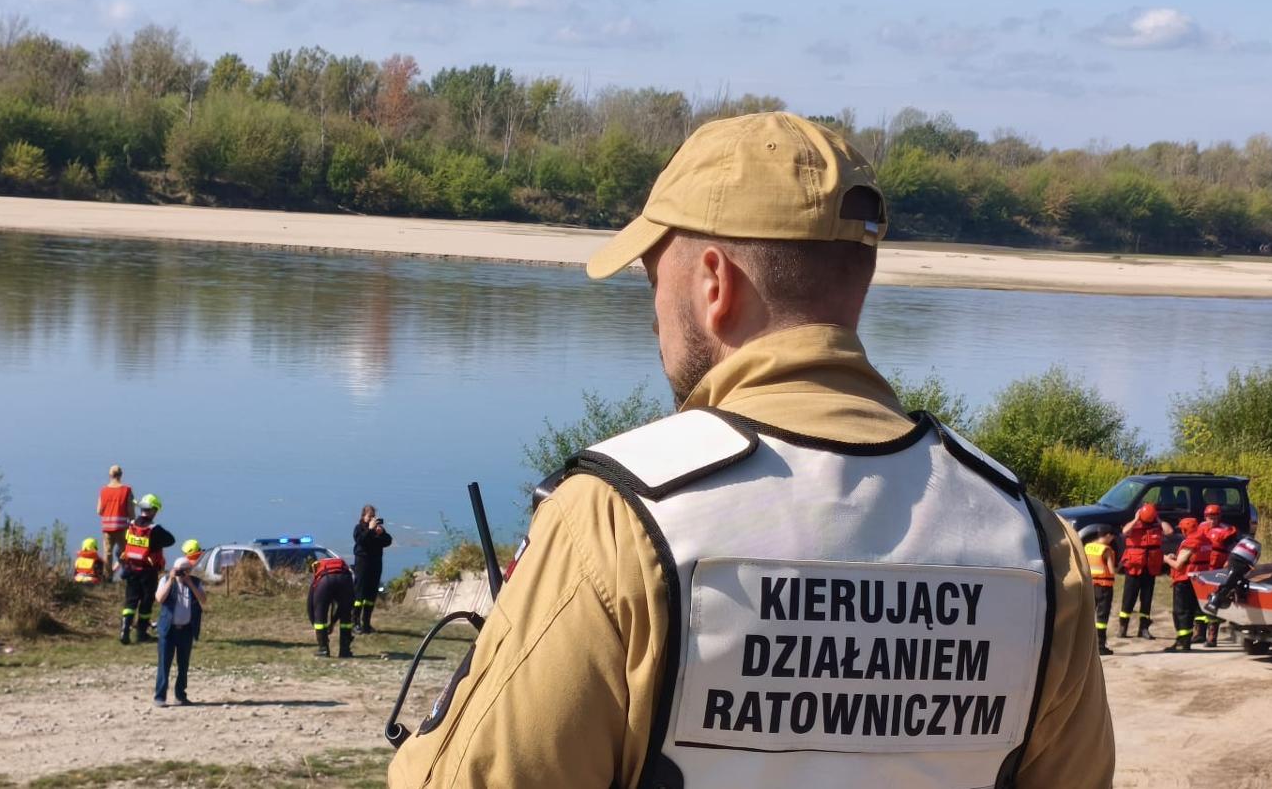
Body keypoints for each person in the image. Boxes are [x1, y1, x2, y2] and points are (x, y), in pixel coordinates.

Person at [387, 112, 1113, 788]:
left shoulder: (618, 520)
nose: (652, 320)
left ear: (714, 283)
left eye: (654, 280)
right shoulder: (1032, 540)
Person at [153, 541, 206, 707]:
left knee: (183, 666)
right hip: (168, 630)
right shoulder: (165, 580)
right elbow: (159, 598)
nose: (183, 573)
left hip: (186, 630)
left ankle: (180, 696)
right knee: (164, 665)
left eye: (186, 570)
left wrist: (189, 582)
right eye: (180, 570)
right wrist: (171, 579)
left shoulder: (195, 582)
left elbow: (203, 599)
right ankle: (160, 697)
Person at [119, 494, 175, 645]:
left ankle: (124, 631)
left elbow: (126, 542)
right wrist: (156, 545)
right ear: (153, 510)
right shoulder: (154, 529)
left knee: (130, 601)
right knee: (146, 602)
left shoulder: (131, 525)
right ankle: (141, 634)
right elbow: (171, 540)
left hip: (131, 568)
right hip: (148, 571)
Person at [1118, 503, 1171, 640]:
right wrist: (1136, 519)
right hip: (1134, 568)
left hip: (1150, 568)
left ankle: (1144, 628)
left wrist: (1158, 519)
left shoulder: (1157, 525)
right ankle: (1123, 627)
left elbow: (1169, 531)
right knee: (1128, 599)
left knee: (1146, 600)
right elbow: (1125, 531)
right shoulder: (1133, 525)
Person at [1163, 517, 1207, 652]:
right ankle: (1188, 639)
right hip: (1199, 579)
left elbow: (1178, 565)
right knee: (1192, 610)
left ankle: (1183, 642)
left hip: (1184, 581)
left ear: (1185, 530)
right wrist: (1176, 557)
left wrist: (1165, 559)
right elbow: (1193, 559)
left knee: (1181, 612)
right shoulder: (1205, 540)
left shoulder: (1190, 542)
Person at [1194, 505, 1234, 647]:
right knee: (1199, 601)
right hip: (1202, 569)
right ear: (1205, 517)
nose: (1212, 520)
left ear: (1219, 517)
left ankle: (1212, 636)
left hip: (1217, 570)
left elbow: (1232, 550)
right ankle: (1199, 633)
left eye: (1215, 518)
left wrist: (1228, 562)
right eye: (1210, 518)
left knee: (1213, 601)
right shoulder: (1200, 527)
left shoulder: (1226, 531)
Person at [351, 504, 392, 634]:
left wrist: (382, 533)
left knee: (371, 595)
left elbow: (388, 541)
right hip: (363, 564)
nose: (372, 519)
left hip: (375, 564)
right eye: (370, 516)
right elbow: (361, 541)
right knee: (360, 594)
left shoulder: (376, 530)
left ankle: (366, 624)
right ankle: (355, 622)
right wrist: (369, 529)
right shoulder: (359, 528)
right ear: (363, 516)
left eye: (373, 516)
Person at [308, 555, 356, 658]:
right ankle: (345, 650)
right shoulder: (344, 568)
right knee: (346, 616)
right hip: (345, 580)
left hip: (325, 581)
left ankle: (323, 649)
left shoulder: (318, 573)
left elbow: (311, 607)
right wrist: (333, 623)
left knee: (320, 615)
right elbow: (343, 608)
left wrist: (316, 625)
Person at [1085, 526, 1119, 656]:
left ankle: (1086, 645)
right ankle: (1100, 646)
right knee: (1102, 617)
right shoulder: (1106, 550)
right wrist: (1120, 567)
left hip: (1090, 585)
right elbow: (1111, 571)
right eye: (1112, 537)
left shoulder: (1087, 547)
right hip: (1104, 587)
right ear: (1108, 535)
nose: (1112, 540)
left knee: (1088, 615)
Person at [98, 466, 136, 580]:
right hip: (122, 527)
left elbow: (99, 511)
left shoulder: (103, 490)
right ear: (121, 475)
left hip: (107, 527)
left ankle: (107, 577)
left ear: (110, 475)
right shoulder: (127, 490)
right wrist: (133, 523)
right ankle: (127, 575)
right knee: (125, 552)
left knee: (108, 553)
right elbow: (130, 511)